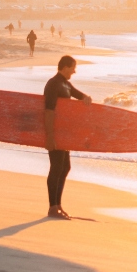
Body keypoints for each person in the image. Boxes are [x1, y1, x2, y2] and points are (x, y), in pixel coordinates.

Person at [42, 55, 92, 218]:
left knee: (64, 167)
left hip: (64, 134)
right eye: (72, 67)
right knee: (56, 168)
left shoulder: (65, 84)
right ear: (64, 67)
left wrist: (86, 98)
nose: (74, 71)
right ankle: (52, 207)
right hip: (54, 132)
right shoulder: (53, 84)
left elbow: (79, 95)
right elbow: (48, 111)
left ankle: (58, 205)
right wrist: (50, 136)